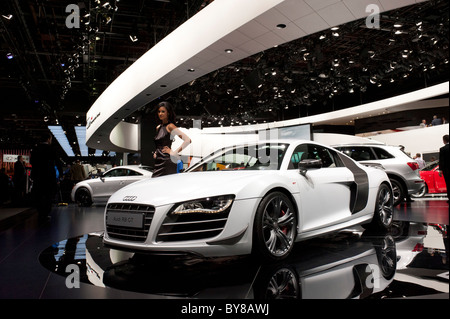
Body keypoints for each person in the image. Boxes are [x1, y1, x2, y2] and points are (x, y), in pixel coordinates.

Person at [152, 101, 191, 178]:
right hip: (158, 161)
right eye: (159, 111)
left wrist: (173, 152)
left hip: (167, 161)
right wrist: (156, 152)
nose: (160, 114)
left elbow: (188, 140)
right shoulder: (158, 127)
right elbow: (159, 144)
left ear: (168, 113)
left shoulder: (170, 126)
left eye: (163, 111)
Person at [30, 132, 57, 221]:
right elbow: (56, 163)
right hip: (49, 176)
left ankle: (40, 212)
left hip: (38, 176)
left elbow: (32, 163)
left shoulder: (35, 149)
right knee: (48, 195)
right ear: (48, 139)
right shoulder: (51, 149)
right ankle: (45, 213)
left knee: (39, 194)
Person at [438, 134, 449, 203]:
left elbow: (441, 160)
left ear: (444, 140)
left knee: (448, 183)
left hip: (447, 170)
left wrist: (440, 170)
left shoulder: (442, 149)